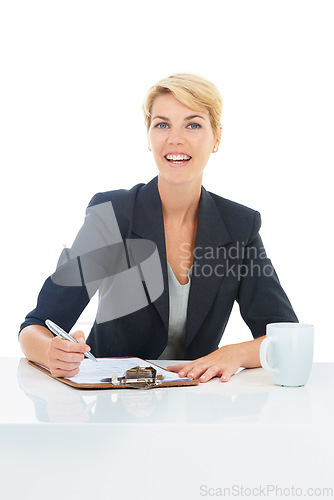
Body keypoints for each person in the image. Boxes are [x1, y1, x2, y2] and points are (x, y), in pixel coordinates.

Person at [19, 73, 298, 383]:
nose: (175, 138)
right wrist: (51, 353)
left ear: (216, 137)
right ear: (149, 135)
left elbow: (285, 336)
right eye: (162, 124)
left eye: (193, 125)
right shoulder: (111, 214)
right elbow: (35, 327)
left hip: (196, 402)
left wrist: (233, 353)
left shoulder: (239, 226)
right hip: (114, 399)